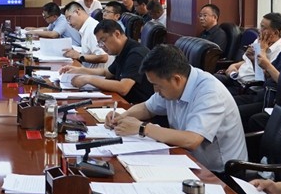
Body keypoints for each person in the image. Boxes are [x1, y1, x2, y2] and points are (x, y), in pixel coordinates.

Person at [105, 44, 248, 171]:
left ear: (176, 79)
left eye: (157, 85)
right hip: (188, 159)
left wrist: (142, 128)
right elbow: (147, 108)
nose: (155, 91)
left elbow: (192, 140)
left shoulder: (210, 92)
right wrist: (122, 117)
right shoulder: (173, 84)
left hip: (220, 173)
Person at [59, 20, 154, 104]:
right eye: (99, 43)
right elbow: (107, 72)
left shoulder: (136, 54)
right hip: (124, 101)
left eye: (103, 41)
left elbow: (123, 88)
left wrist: (88, 79)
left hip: (136, 105)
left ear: (117, 34)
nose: (102, 46)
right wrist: (80, 70)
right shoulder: (123, 49)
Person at [221, 12, 281, 90]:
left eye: (263, 27)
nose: (259, 30)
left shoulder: (280, 51)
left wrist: (261, 51)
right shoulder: (259, 40)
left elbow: (263, 77)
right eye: (260, 26)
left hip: (247, 87)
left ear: (275, 33)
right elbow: (246, 62)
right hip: (236, 78)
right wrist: (234, 66)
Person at [61, 1, 108, 67]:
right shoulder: (86, 27)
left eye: (69, 18)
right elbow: (89, 51)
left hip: (94, 72)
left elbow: (103, 57)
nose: (69, 23)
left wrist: (78, 55)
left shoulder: (92, 29)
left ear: (77, 12)